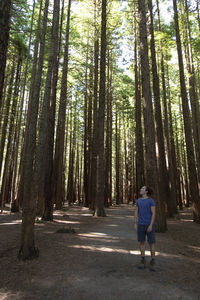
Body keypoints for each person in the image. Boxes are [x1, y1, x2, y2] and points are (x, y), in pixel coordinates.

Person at [134, 186, 156, 271]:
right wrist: (135, 223)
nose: (140, 190)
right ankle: (142, 260)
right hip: (141, 224)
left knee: (151, 243)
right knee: (141, 242)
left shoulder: (151, 201)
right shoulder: (138, 201)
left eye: (142, 189)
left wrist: (151, 225)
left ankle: (153, 261)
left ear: (146, 191)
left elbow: (153, 213)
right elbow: (136, 212)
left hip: (149, 225)